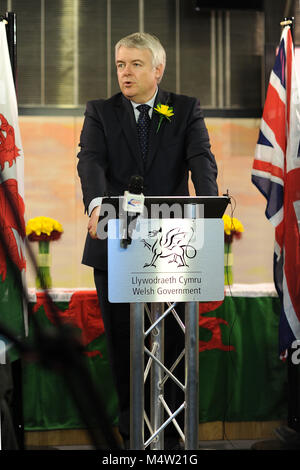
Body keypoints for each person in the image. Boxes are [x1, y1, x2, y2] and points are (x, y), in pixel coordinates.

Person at [77, 32, 218, 449]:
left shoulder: (186, 108)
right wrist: (97, 204)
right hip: (115, 244)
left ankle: (173, 438)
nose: (126, 72)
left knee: (174, 344)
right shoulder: (100, 111)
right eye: (120, 64)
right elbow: (91, 160)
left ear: (158, 69)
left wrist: (210, 210)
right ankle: (131, 433)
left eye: (136, 64)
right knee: (124, 345)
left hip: (172, 246)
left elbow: (201, 160)